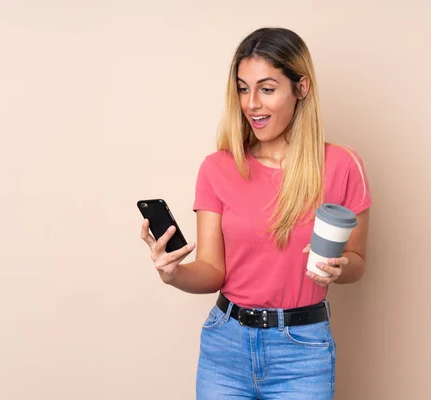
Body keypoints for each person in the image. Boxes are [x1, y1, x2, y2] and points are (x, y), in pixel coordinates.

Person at [140, 27, 372, 399]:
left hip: (302, 353)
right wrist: (174, 273)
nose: (251, 104)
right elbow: (213, 271)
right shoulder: (218, 168)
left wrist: (341, 265)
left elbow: (358, 261)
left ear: (302, 88)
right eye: (243, 88)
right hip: (225, 348)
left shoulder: (342, 166)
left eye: (267, 88)